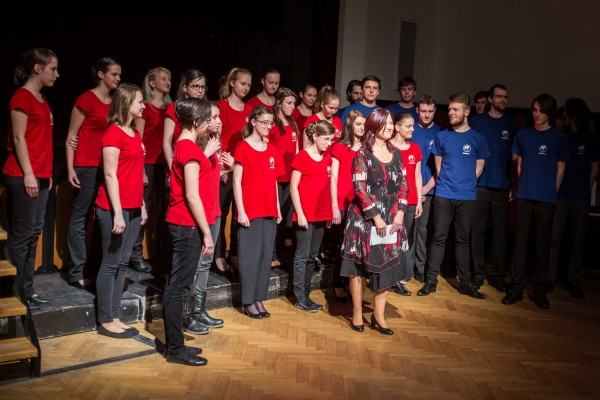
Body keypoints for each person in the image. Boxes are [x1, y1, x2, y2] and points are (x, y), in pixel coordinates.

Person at [340, 108, 410, 335]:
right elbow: (359, 189)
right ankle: (358, 313)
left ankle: (379, 315)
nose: (391, 126)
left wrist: (400, 212)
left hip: (392, 218)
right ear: (375, 125)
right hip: (365, 220)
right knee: (359, 268)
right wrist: (377, 218)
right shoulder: (362, 154)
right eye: (387, 123)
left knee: (388, 267)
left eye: (392, 123)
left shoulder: (397, 153)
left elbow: (403, 185)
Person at [417, 93, 489, 299]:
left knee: (463, 240)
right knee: (438, 238)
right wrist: (449, 183)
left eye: (455, 109)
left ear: (467, 112)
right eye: (449, 109)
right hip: (444, 195)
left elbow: (479, 167)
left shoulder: (477, 138)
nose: (450, 113)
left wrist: (464, 182)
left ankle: (465, 282)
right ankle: (431, 281)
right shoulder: (442, 136)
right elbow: (438, 169)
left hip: (466, 196)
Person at [4, 48, 59, 309]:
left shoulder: (41, 99)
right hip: (22, 173)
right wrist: (28, 173)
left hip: (40, 175)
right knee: (24, 234)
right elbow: (18, 138)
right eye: (52, 69)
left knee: (34, 232)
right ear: (37, 68)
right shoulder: (22, 97)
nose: (57, 74)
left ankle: (27, 289)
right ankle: (14, 291)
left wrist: (45, 175)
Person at [503, 94, 569, 309]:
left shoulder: (558, 137)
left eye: (540, 110)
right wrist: (520, 187)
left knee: (542, 245)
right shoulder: (524, 134)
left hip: (546, 198)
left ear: (549, 112)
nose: (536, 114)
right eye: (534, 110)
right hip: (524, 195)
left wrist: (552, 191)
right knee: (520, 242)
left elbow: (561, 168)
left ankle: (539, 289)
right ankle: (516, 287)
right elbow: (519, 165)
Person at [163, 97, 213, 366]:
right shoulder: (190, 150)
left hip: (183, 223)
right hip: (187, 225)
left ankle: (176, 344)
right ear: (195, 122)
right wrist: (206, 232)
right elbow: (191, 196)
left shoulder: (183, 146)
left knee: (178, 285)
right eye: (207, 120)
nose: (209, 124)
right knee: (177, 288)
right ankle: (174, 348)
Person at [95, 83, 147, 338]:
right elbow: (110, 174)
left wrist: (142, 207)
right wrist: (117, 212)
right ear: (127, 104)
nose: (143, 105)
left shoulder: (134, 133)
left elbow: (137, 174)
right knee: (111, 263)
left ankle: (115, 315)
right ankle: (105, 319)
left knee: (123, 263)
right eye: (139, 101)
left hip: (133, 206)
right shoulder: (112, 133)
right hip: (114, 207)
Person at [66, 57, 121, 289]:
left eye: (119, 75)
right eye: (114, 74)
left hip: (108, 167)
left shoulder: (115, 101)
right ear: (100, 74)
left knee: (104, 217)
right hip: (86, 165)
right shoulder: (86, 99)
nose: (118, 78)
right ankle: (77, 271)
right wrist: (69, 168)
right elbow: (71, 137)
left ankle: (97, 266)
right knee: (81, 217)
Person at [182, 101, 229, 334]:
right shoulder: (193, 144)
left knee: (205, 264)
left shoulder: (214, 143)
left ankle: (199, 310)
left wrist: (227, 168)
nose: (218, 121)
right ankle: (187, 311)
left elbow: (211, 176)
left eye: (219, 117)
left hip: (214, 208)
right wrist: (206, 154)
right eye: (214, 117)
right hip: (199, 211)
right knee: (194, 263)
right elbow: (190, 180)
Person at [233, 107, 283, 319]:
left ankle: (258, 299)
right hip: (250, 211)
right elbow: (236, 181)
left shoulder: (271, 149)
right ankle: (247, 300)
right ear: (253, 122)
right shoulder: (243, 147)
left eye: (270, 123)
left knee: (264, 258)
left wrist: (278, 208)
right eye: (264, 122)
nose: (268, 127)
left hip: (269, 210)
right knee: (250, 258)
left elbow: (273, 181)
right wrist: (241, 211)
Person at [470, 84, 520, 292]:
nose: (503, 100)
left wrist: (513, 184)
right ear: (490, 99)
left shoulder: (512, 123)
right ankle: (478, 272)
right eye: (499, 96)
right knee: (478, 231)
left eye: (505, 97)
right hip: (480, 184)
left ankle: (498, 274)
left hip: (502, 185)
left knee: (500, 232)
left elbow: (515, 158)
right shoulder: (477, 120)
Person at [549, 98, 598, 298]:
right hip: (561, 195)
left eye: (567, 112)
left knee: (577, 241)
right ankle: (550, 277)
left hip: (581, 197)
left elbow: (594, 169)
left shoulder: (592, 139)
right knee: (554, 238)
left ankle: (573, 280)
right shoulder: (563, 137)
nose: (564, 116)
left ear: (575, 114)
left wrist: (584, 190)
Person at [130, 67, 172, 273]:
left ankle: (163, 253)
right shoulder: (144, 107)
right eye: (163, 79)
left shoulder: (171, 107)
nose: (168, 81)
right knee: (143, 208)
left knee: (165, 209)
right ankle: (135, 254)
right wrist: (141, 169)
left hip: (166, 163)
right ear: (152, 83)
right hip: (147, 163)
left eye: (169, 79)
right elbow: (138, 138)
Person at [291, 120, 335, 312]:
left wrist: (328, 214)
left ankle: (306, 294)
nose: (328, 143)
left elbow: (325, 188)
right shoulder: (302, 156)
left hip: (320, 214)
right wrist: (300, 213)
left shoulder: (327, 158)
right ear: (315, 136)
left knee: (312, 256)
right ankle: (300, 296)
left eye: (331, 140)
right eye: (325, 139)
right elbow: (293, 187)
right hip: (305, 214)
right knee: (301, 256)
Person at [215, 67, 252, 274]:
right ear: (232, 83)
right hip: (225, 169)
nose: (246, 88)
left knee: (240, 213)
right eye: (242, 83)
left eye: (248, 84)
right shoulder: (221, 107)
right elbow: (217, 139)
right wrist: (222, 167)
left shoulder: (248, 109)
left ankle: (235, 253)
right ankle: (219, 254)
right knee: (221, 213)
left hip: (242, 169)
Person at [330, 110, 366, 302]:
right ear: (351, 125)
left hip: (360, 205)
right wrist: (334, 206)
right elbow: (334, 177)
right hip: (343, 203)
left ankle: (349, 283)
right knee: (341, 246)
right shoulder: (340, 147)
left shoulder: (366, 149)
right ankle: (337, 283)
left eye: (364, 124)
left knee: (356, 249)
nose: (362, 128)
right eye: (359, 124)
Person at [390, 112, 423, 296]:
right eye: (408, 126)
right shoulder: (387, 147)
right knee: (390, 238)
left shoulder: (415, 149)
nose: (412, 129)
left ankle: (398, 277)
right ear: (397, 127)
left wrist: (418, 200)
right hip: (391, 202)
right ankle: (388, 275)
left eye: (413, 126)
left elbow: (418, 176)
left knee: (403, 239)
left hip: (410, 201)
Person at [410, 95, 440, 283]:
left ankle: (420, 268)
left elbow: (441, 168)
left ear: (435, 111)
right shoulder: (410, 130)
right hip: (408, 190)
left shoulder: (441, 133)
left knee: (423, 231)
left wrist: (425, 189)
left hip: (429, 190)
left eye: (430, 111)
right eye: (423, 111)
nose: (427, 115)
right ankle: (405, 268)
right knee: (407, 230)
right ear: (417, 111)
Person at [268, 88, 300, 266]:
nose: (292, 107)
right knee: (275, 216)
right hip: (274, 178)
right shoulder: (271, 124)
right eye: (289, 103)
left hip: (289, 178)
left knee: (286, 217)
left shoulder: (293, 125)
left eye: (294, 103)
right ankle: (271, 254)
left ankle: (279, 251)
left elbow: (296, 153)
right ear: (279, 102)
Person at [303, 86, 342, 150]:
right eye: (331, 108)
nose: (334, 111)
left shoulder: (338, 121)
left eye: (336, 108)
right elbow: (306, 147)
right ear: (322, 105)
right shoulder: (312, 120)